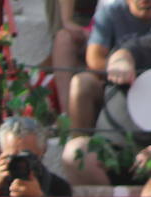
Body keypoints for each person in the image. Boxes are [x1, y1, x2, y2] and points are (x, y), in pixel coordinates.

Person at [63, 30, 151, 185]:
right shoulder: (144, 43)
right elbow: (123, 53)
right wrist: (121, 63)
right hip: (112, 153)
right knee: (76, 152)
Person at [65, 0, 151, 134]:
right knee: (81, 83)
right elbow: (94, 58)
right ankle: (79, 145)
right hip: (116, 86)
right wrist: (118, 68)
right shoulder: (110, 12)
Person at [0, 116, 72, 197]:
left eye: (27, 156)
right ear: (1, 151)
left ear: (42, 151)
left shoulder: (58, 186)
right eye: (12, 156)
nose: (20, 162)